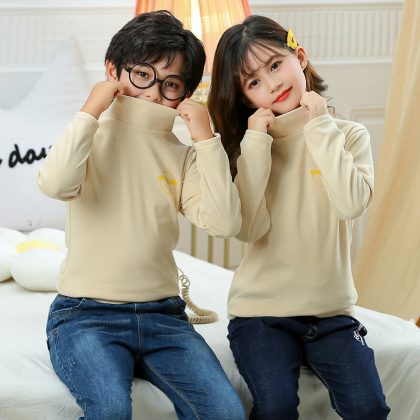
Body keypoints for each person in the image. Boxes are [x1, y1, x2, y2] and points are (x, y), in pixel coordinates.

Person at [39, 10, 245, 420]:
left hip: (163, 317)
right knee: (110, 409)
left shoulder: (183, 155)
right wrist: (91, 109)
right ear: (113, 71)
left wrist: (206, 139)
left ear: (185, 94)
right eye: (142, 75)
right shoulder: (87, 136)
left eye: (171, 84)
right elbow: (55, 184)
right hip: (85, 315)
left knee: (226, 413)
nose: (153, 93)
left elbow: (225, 223)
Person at [207, 15, 390, 420]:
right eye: (253, 82)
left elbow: (351, 204)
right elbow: (248, 229)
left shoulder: (348, 135)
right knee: (276, 407)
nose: (272, 84)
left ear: (300, 57)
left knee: (369, 407)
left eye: (275, 65)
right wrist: (256, 144)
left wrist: (320, 124)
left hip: (332, 314)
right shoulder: (250, 146)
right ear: (245, 98)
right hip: (260, 314)